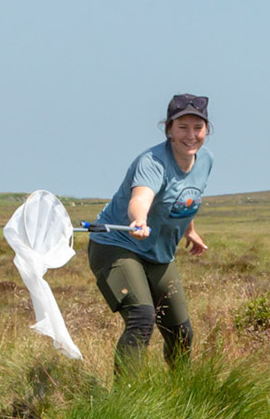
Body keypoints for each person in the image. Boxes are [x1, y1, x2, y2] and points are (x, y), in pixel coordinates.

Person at [89, 93, 213, 371]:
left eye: (198, 127)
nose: (191, 135)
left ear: (207, 130)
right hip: (118, 245)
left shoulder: (205, 160)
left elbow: (186, 197)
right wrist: (139, 220)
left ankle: (182, 394)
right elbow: (141, 198)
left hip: (159, 253)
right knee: (142, 319)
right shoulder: (153, 162)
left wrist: (189, 230)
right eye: (182, 127)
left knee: (181, 332)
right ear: (169, 129)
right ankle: (125, 402)